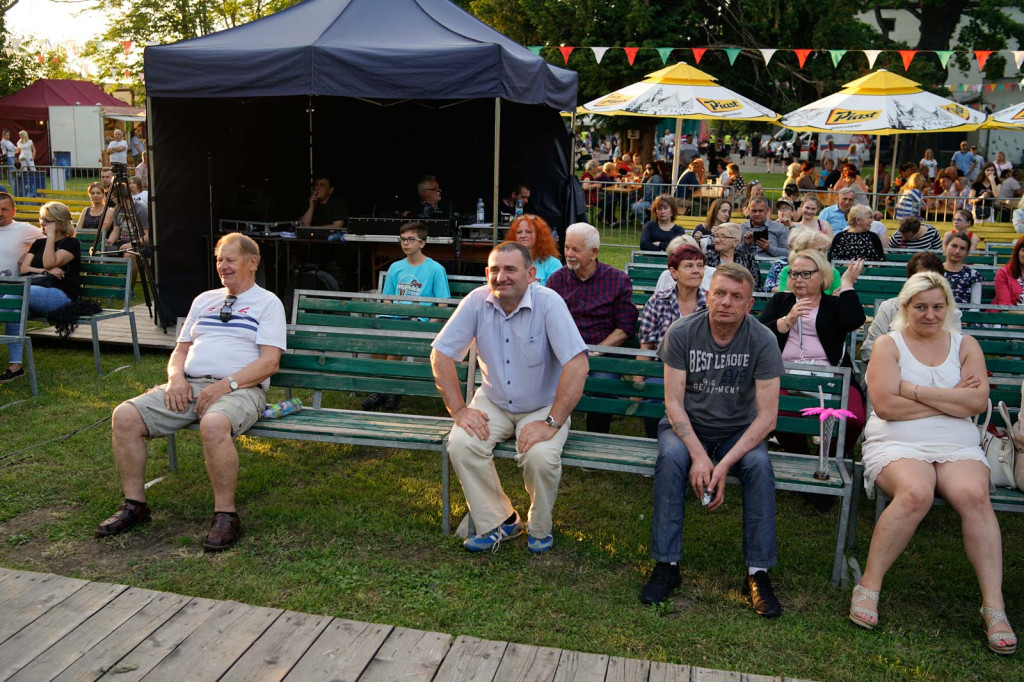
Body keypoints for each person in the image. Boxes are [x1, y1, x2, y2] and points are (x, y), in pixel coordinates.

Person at [855, 273, 1015, 656]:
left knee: (974, 495)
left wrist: (913, 389)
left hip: (956, 442)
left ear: (948, 307)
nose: (929, 314)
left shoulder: (966, 345)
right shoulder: (888, 345)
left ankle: (994, 607)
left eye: (937, 306)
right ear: (905, 307)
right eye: (921, 306)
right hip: (896, 439)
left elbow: (976, 404)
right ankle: (869, 586)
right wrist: (948, 398)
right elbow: (886, 406)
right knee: (915, 492)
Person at [95, 233, 287, 551]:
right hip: (190, 385)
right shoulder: (204, 300)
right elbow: (180, 352)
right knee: (125, 415)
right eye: (218, 260)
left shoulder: (268, 303)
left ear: (252, 263)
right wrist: (176, 380)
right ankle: (135, 505)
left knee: (213, 424)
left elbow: (270, 363)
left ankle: (226, 515)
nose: (222, 266)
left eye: (230, 259)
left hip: (242, 388)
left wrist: (225, 386)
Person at [641, 264, 784, 617]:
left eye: (737, 297)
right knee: (672, 459)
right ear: (708, 296)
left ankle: (758, 573)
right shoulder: (682, 332)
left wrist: (721, 464)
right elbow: (672, 402)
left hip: (738, 430)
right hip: (688, 425)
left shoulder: (762, 339)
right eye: (719, 293)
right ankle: (666, 565)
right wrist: (700, 456)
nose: (726, 302)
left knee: (759, 466)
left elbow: (767, 418)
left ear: (749, 304)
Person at [431, 242, 588, 554]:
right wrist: (460, 411)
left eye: (511, 269)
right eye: (495, 270)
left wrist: (552, 422)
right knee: (462, 443)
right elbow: (440, 355)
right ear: (487, 273)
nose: (501, 276)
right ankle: (501, 521)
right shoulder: (476, 301)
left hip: (543, 404)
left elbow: (577, 363)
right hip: (494, 401)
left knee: (541, 458)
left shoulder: (549, 303)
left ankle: (540, 528)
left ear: (531, 274)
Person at [759, 252, 867, 455]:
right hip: (784, 374)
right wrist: (786, 321)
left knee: (853, 420)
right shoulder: (780, 301)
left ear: (822, 276)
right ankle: (799, 454)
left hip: (832, 375)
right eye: (794, 274)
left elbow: (854, 320)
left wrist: (846, 284)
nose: (798, 280)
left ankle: (832, 457)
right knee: (779, 414)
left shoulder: (833, 305)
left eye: (806, 274)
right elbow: (758, 334)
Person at [548, 223, 637, 434]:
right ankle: (550, 432)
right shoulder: (557, 281)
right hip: (564, 353)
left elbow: (625, 327)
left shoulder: (617, 280)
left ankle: (596, 436)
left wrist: (596, 351)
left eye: (576, 250)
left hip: (601, 352)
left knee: (602, 383)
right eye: (567, 247)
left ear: (594, 252)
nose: (569, 254)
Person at [362, 221, 452, 412]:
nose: (405, 243)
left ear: (423, 243)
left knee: (397, 341)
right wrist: (392, 313)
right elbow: (387, 299)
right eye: (402, 239)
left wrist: (430, 323)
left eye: (411, 239)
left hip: (418, 320)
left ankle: (382, 391)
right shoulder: (396, 267)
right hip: (394, 317)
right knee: (379, 341)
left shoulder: (435, 269)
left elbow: (443, 304)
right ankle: (388, 391)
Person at [638, 243, 708, 438]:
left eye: (700, 265)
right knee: (652, 392)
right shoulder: (658, 301)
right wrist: (638, 379)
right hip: (664, 370)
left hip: (703, 372)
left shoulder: (712, 304)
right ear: (674, 272)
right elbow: (647, 345)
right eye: (689, 266)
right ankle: (654, 442)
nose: (696, 271)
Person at [5, 203, 83, 380]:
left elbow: (50, 262)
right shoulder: (38, 243)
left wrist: (49, 238)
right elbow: (24, 268)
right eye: (41, 219)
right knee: (13, 305)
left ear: (60, 222)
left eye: (46, 221)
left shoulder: (71, 243)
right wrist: (45, 272)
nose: (42, 224)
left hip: (61, 296)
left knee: (16, 295)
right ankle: (15, 366)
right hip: (34, 293)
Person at [861, 252, 962, 364]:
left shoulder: (952, 313)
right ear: (910, 279)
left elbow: (955, 353)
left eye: (933, 279)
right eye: (921, 278)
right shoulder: (889, 308)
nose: (930, 316)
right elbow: (869, 349)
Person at [0, 193, 44, 383]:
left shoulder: (23, 229)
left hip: (14, 288)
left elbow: (51, 240)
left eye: (4, 209)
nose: (0, 213)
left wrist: (28, 257)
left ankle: (16, 365)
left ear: (13, 211)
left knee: (12, 306)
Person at [763, 228, 839, 294]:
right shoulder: (788, 271)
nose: (823, 254)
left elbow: (837, 299)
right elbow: (785, 298)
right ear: (804, 250)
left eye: (825, 250)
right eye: (818, 250)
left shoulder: (833, 272)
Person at [502, 213, 561, 286]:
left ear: (539, 235)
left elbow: (555, 294)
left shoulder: (553, 264)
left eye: (528, 232)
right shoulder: (506, 261)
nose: (523, 236)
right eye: (519, 232)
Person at [703, 222, 761, 290]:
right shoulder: (707, 257)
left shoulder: (748, 259)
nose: (717, 240)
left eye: (723, 237)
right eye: (716, 236)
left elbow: (756, 285)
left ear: (735, 242)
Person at [942, 232, 983, 305]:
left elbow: (975, 306)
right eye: (954, 246)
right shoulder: (934, 271)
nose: (957, 251)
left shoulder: (973, 275)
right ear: (945, 247)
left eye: (962, 248)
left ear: (967, 252)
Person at [992, 235, 1024, 306]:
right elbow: (1005, 306)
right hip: (1006, 316)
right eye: (1023, 250)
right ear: (1017, 252)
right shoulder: (1003, 273)